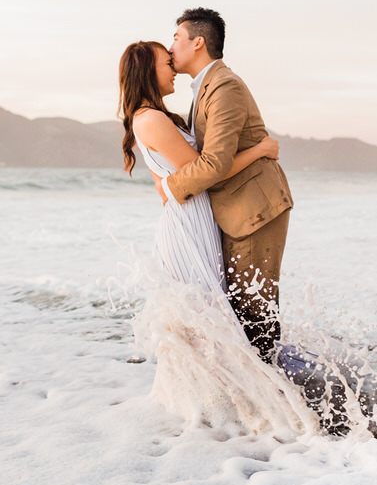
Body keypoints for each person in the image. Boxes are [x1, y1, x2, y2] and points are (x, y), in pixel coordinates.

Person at [118, 40, 321, 435]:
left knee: (213, 314)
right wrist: (260, 150)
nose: (172, 66)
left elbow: (180, 177)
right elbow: (205, 169)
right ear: (146, 71)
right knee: (206, 314)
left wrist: (170, 184)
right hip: (187, 224)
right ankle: (221, 405)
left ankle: (222, 403)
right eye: (165, 61)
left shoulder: (161, 115)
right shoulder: (153, 118)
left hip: (198, 218)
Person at [158, 8, 293, 365]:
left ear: (197, 42)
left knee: (254, 313)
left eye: (176, 38)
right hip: (237, 209)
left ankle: (282, 407)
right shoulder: (204, 87)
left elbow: (215, 161)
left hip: (253, 210)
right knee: (242, 311)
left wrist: (170, 188)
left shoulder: (224, 85)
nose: (171, 46)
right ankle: (263, 400)